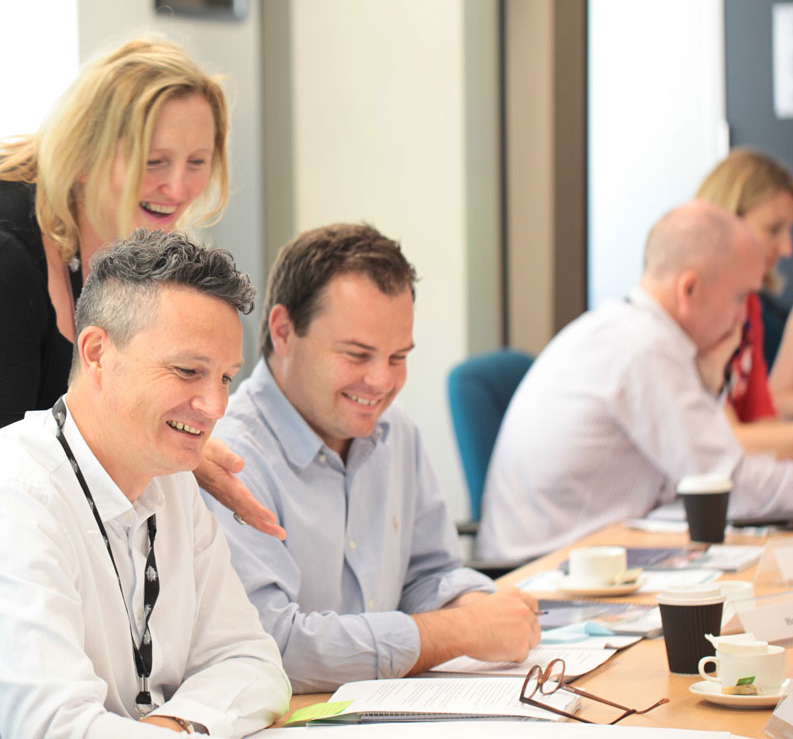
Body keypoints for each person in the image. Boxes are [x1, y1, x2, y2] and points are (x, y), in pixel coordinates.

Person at [202, 223, 542, 694]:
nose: (381, 382)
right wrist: (459, 631)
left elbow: (428, 575)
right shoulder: (227, 458)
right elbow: (271, 646)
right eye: (357, 355)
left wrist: (477, 606)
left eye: (398, 357)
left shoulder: (394, 428)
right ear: (283, 331)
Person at [0, 229, 290, 738]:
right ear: (95, 354)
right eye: (187, 370)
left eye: (225, 377)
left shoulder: (173, 482)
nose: (217, 406)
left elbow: (253, 662)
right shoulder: (17, 494)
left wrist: (174, 724)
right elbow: (52, 728)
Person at [0, 36, 282, 536]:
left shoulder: (124, 245)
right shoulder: (10, 255)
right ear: (85, 152)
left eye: (197, 163)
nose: (177, 188)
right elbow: (13, 465)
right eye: (155, 162)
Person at [477, 200, 793, 562]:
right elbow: (724, 486)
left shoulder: (627, 331)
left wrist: (709, 384)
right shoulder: (645, 350)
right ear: (689, 289)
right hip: (549, 573)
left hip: (580, 556)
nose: (744, 317)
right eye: (740, 297)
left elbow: (698, 476)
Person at [695, 149, 793, 453]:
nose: (786, 249)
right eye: (773, 230)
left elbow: (760, 419)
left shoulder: (750, 307)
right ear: (726, 219)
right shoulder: (692, 312)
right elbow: (721, 439)